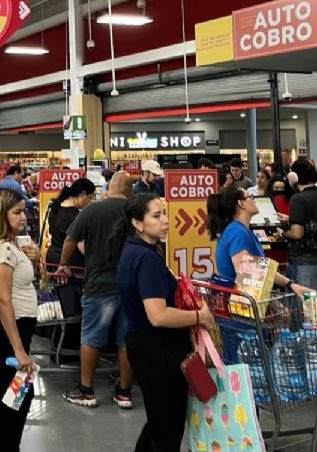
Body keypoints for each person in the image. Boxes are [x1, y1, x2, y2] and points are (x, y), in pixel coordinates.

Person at [114, 193, 215, 452]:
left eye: (164, 214)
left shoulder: (135, 250)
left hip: (145, 345)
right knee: (167, 429)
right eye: (156, 216)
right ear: (138, 223)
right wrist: (199, 317)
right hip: (158, 349)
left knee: (159, 422)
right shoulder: (146, 259)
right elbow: (157, 315)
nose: (166, 221)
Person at [206, 186, 312, 362]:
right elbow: (248, 271)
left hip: (240, 309)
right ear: (241, 203)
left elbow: (254, 273)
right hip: (240, 314)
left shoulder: (239, 230)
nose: (254, 200)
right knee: (245, 366)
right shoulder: (237, 232)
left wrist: (279, 300)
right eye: (250, 197)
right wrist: (289, 285)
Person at [59, 171, 135, 409]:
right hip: (131, 286)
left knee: (92, 338)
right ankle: (124, 392)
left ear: (110, 186)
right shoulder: (137, 211)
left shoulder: (92, 210)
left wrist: (63, 264)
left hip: (99, 285)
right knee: (126, 340)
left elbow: (70, 239)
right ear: (129, 190)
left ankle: (86, 390)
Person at [0, 188, 40, 452]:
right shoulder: (2, 250)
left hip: (11, 332)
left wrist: (33, 261)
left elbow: (21, 286)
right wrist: (18, 349)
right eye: (16, 212)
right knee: (14, 397)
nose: (22, 217)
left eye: (23, 211)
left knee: (15, 395)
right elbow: (3, 300)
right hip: (5, 334)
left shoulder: (11, 244)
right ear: (1, 215)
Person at [280, 159, 317, 291]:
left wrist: (282, 233)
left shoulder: (298, 199)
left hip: (304, 263)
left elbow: (296, 233)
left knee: (304, 308)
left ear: (294, 178)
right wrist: (292, 219)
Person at [44, 178, 95, 269]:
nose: (89, 202)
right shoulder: (76, 216)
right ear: (82, 194)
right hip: (70, 264)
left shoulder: (55, 207)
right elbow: (80, 245)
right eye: (89, 197)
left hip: (52, 258)